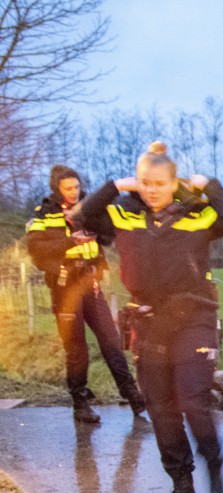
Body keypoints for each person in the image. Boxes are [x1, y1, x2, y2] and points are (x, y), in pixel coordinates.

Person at [72, 142, 223, 493]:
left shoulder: (197, 216)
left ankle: (214, 466)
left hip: (193, 317)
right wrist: (116, 185)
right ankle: (182, 486)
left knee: (191, 401)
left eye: (159, 183)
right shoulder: (125, 217)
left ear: (173, 183)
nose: (151, 190)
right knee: (162, 408)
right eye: (145, 183)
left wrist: (208, 186)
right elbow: (81, 217)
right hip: (149, 323)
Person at [25, 165, 146, 423]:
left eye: (77, 186)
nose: (74, 192)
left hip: (90, 283)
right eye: (68, 188)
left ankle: (134, 397)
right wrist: (72, 241)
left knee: (111, 340)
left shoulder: (89, 206)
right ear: (56, 189)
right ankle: (80, 404)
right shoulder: (44, 212)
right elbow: (36, 250)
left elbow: (109, 233)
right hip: (64, 287)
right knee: (77, 349)